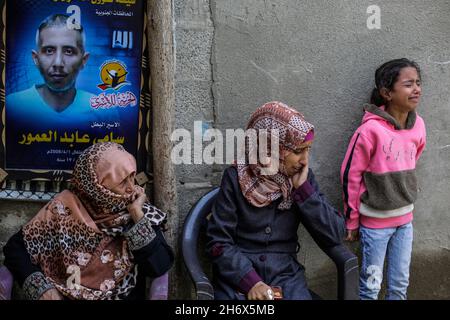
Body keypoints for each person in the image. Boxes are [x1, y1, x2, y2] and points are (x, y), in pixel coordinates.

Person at [206, 101, 345, 300]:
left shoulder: (302, 179)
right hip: (239, 277)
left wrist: (303, 191)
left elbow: (335, 233)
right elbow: (218, 242)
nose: (305, 160)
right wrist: (250, 281)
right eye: (298, 151)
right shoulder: (236, 178)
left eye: (308, 150)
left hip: (286, 276)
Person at [3, 142, 174, 300]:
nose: (131, 187)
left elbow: (159, 266)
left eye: (132, 177)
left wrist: (137, 215)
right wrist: (41, 288)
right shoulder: (64, 208)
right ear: (97, 186)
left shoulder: (136, 209)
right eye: (122, 181)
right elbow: (15, 249)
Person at [341, 58, 426, 300]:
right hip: (375, 225)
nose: (417, 89)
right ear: (387, 92)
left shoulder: (418, 125)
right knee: (371, 288)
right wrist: (352, 220)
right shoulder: (369, 131)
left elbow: (412, 159)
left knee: (400, 286)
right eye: (408, 84)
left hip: (405, 221)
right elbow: (350, 176)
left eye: (418, 83)